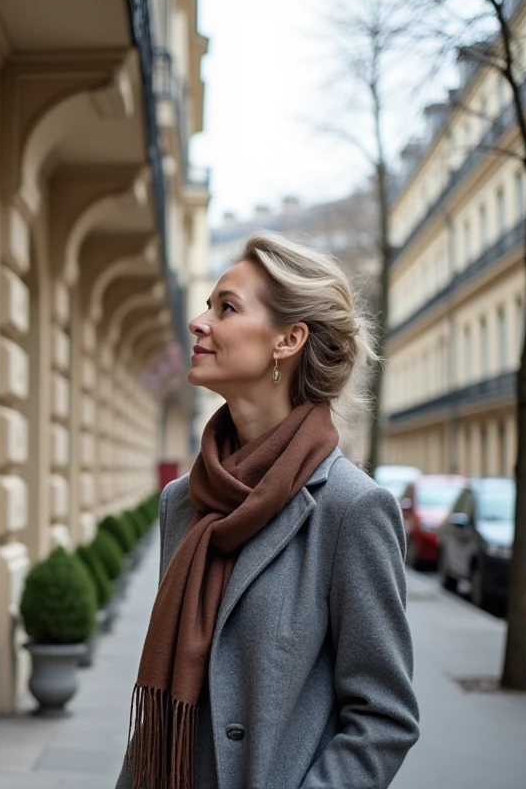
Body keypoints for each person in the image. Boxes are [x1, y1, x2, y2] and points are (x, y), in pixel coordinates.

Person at [115, 233, 419, 789]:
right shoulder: (182, 503)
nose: (200, 322)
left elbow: (384, 717)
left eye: (226, 307)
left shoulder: (351, 510)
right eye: (208, 304)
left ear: (289, 339)